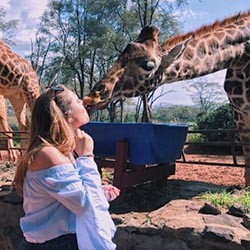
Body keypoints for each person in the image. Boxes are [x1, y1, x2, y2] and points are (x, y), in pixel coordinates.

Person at [14, 85, 120, 250]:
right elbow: (83, 205)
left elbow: (70, 199)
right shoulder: (49, 155)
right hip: (52, 245)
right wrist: (86, 157)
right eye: (77, 101)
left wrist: (98, 190)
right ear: (68, 115)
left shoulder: (60, 151)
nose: (83, 102)